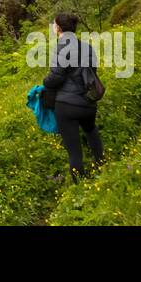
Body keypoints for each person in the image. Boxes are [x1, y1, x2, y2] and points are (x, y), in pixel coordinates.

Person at [43, 11, 104, 179]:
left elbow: (56, 77)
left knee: (74, 150)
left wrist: (45, 82)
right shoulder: (87, 47)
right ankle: (102, 168)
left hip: (67, 106)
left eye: (54, 24)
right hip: (89, 102)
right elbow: (92, 71)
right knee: (91, 132)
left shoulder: (61, 47)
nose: (54, 27)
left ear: (59, 28)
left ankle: (80, 186)